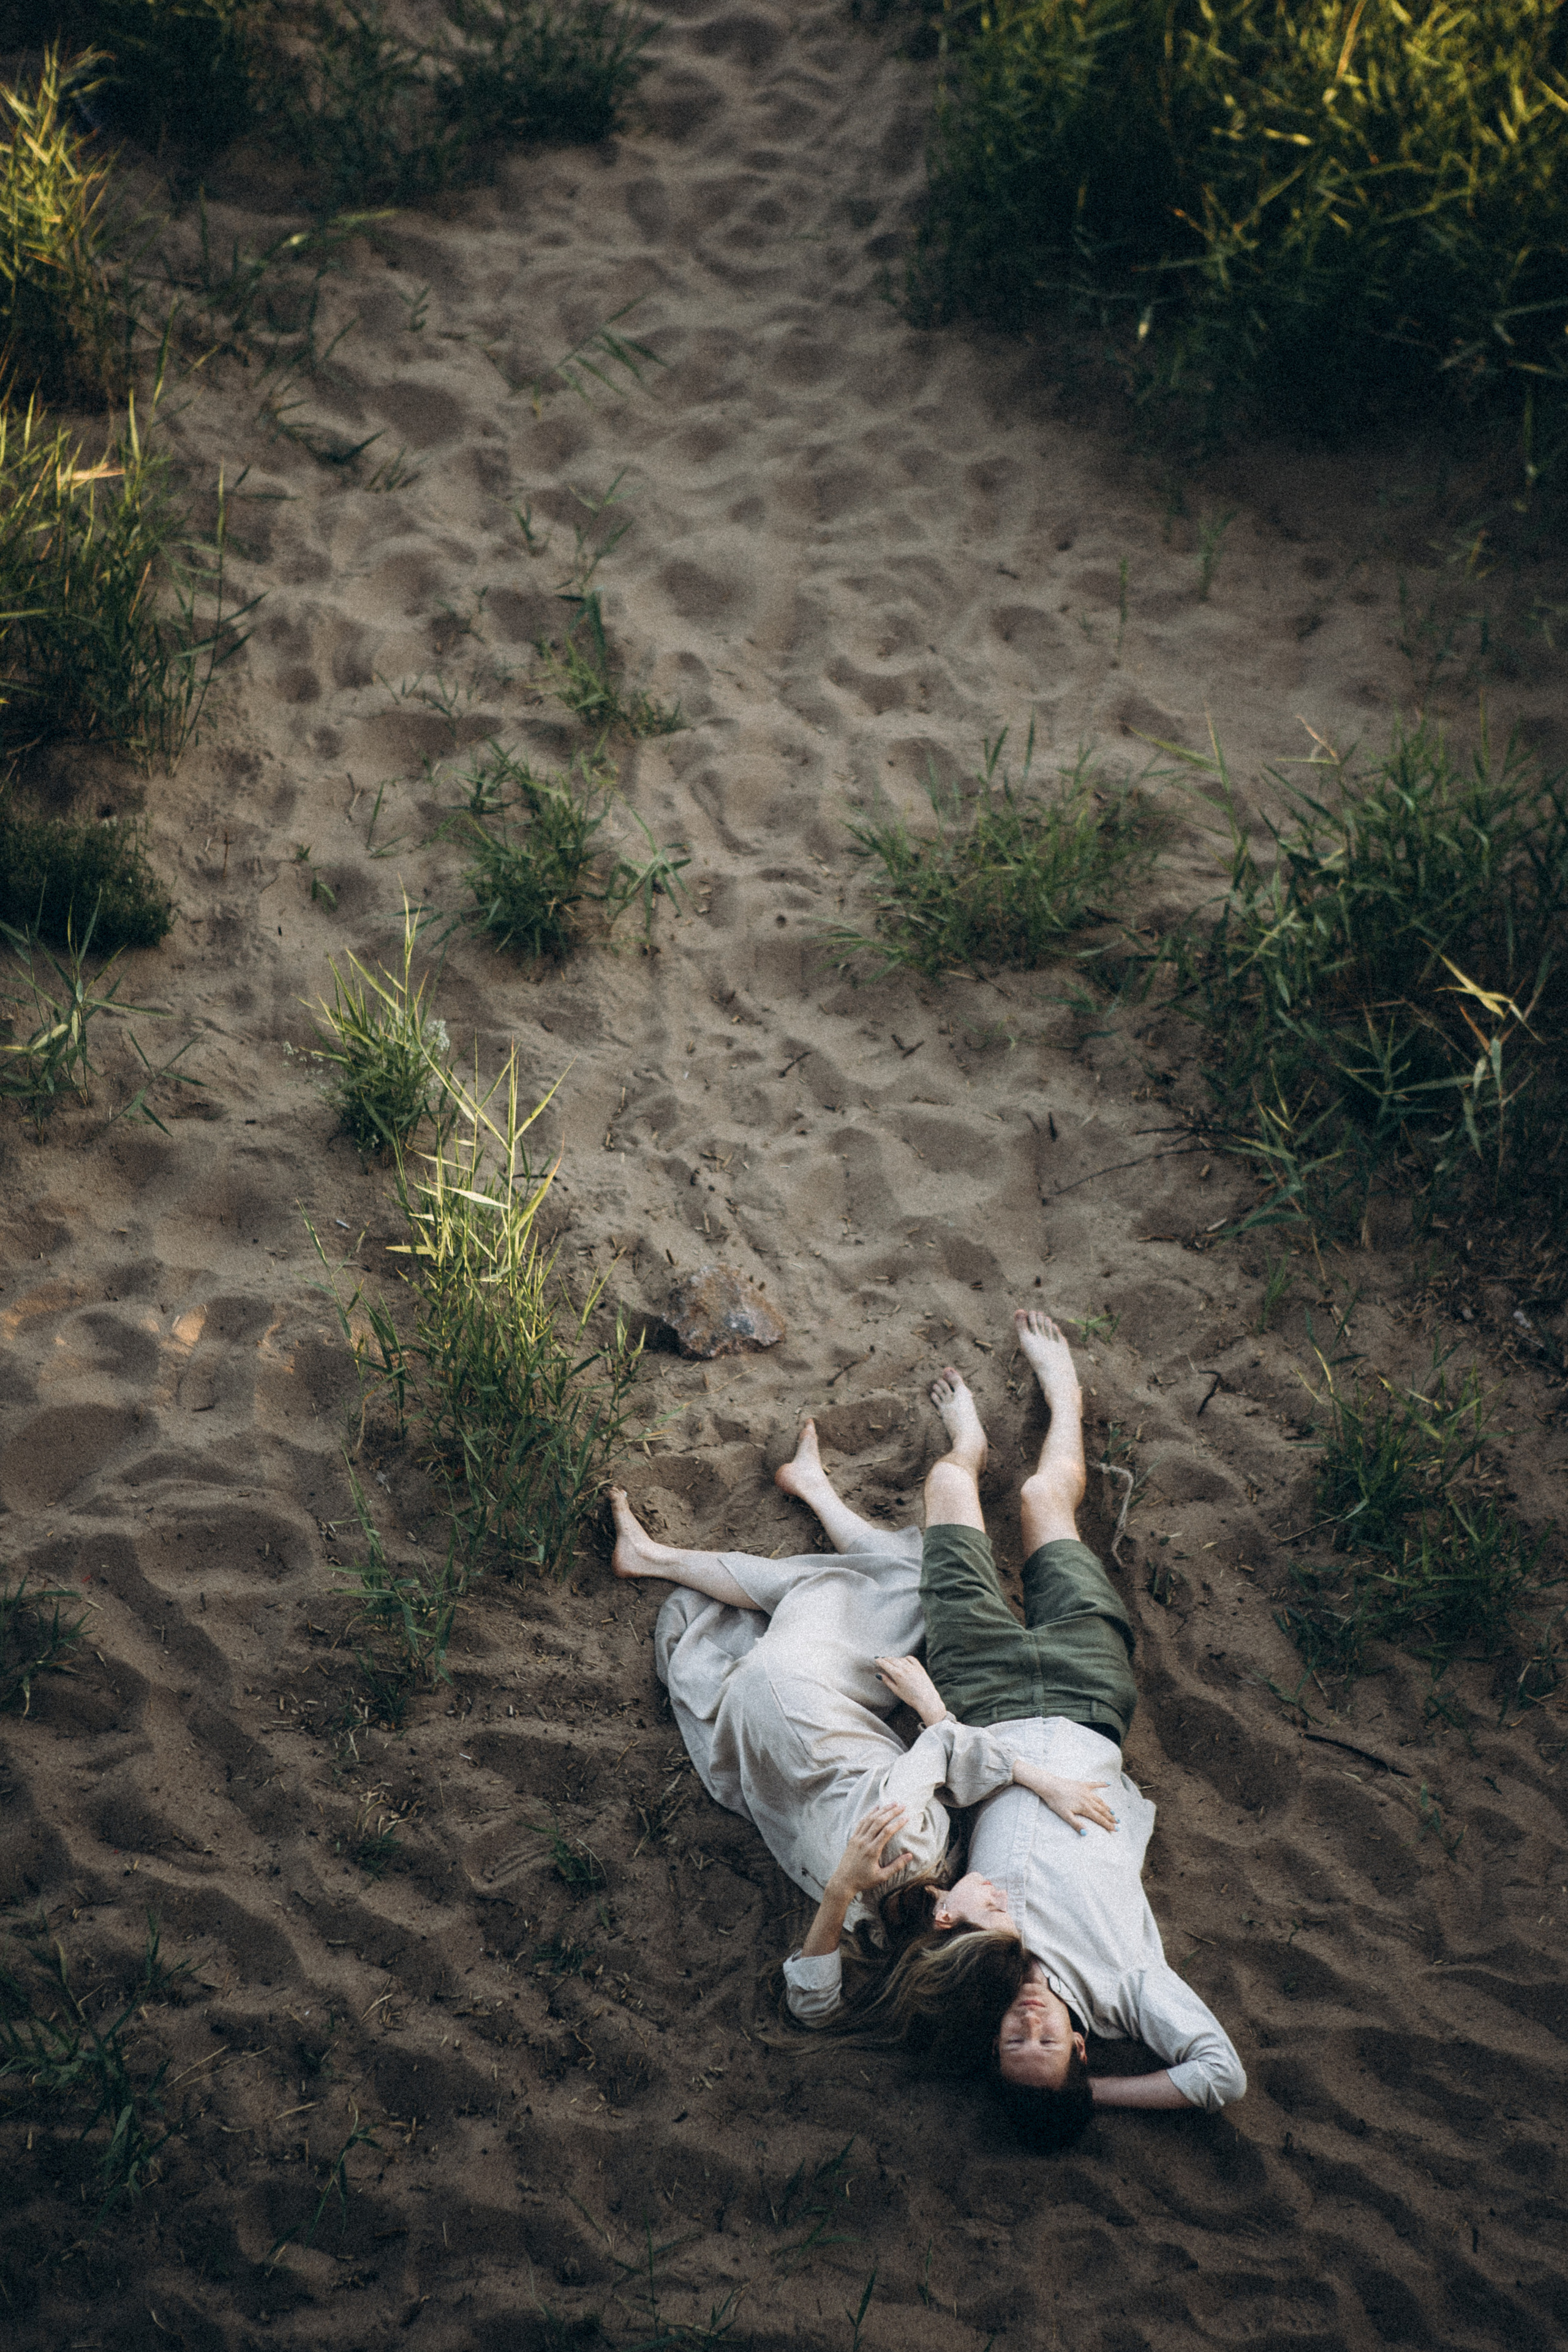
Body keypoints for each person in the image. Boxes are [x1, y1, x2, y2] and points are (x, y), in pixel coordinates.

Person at [785, 1311, 1247, 2149]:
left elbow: (821, 1998)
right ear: (1079, 2046)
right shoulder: (1128, 1988)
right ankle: (1063, 1395)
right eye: (1047, 2042)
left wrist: (935, 1718)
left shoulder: (964, 1965)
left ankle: (969, 1442)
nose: (1029, 2020)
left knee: (948, 1488)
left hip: (982, 1701)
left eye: (1013, 2041)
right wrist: (1092, 2095)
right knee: (1042, 1502)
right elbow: (1219, 2073)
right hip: (1084, 1700)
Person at [608, 1408, 1112, 2056]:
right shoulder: (871, 1929)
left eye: (995, 1913)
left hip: (795, 1695)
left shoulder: (909, 1840)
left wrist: (1039, 1778)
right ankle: (812, 1487)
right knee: (873, 1587)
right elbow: (810, 2008)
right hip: (753, 1739)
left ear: (950, 1917)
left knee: (907, 1579)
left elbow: (945, 1746)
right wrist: (841, 1889)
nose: (1001, 1899)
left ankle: (655, 1555)